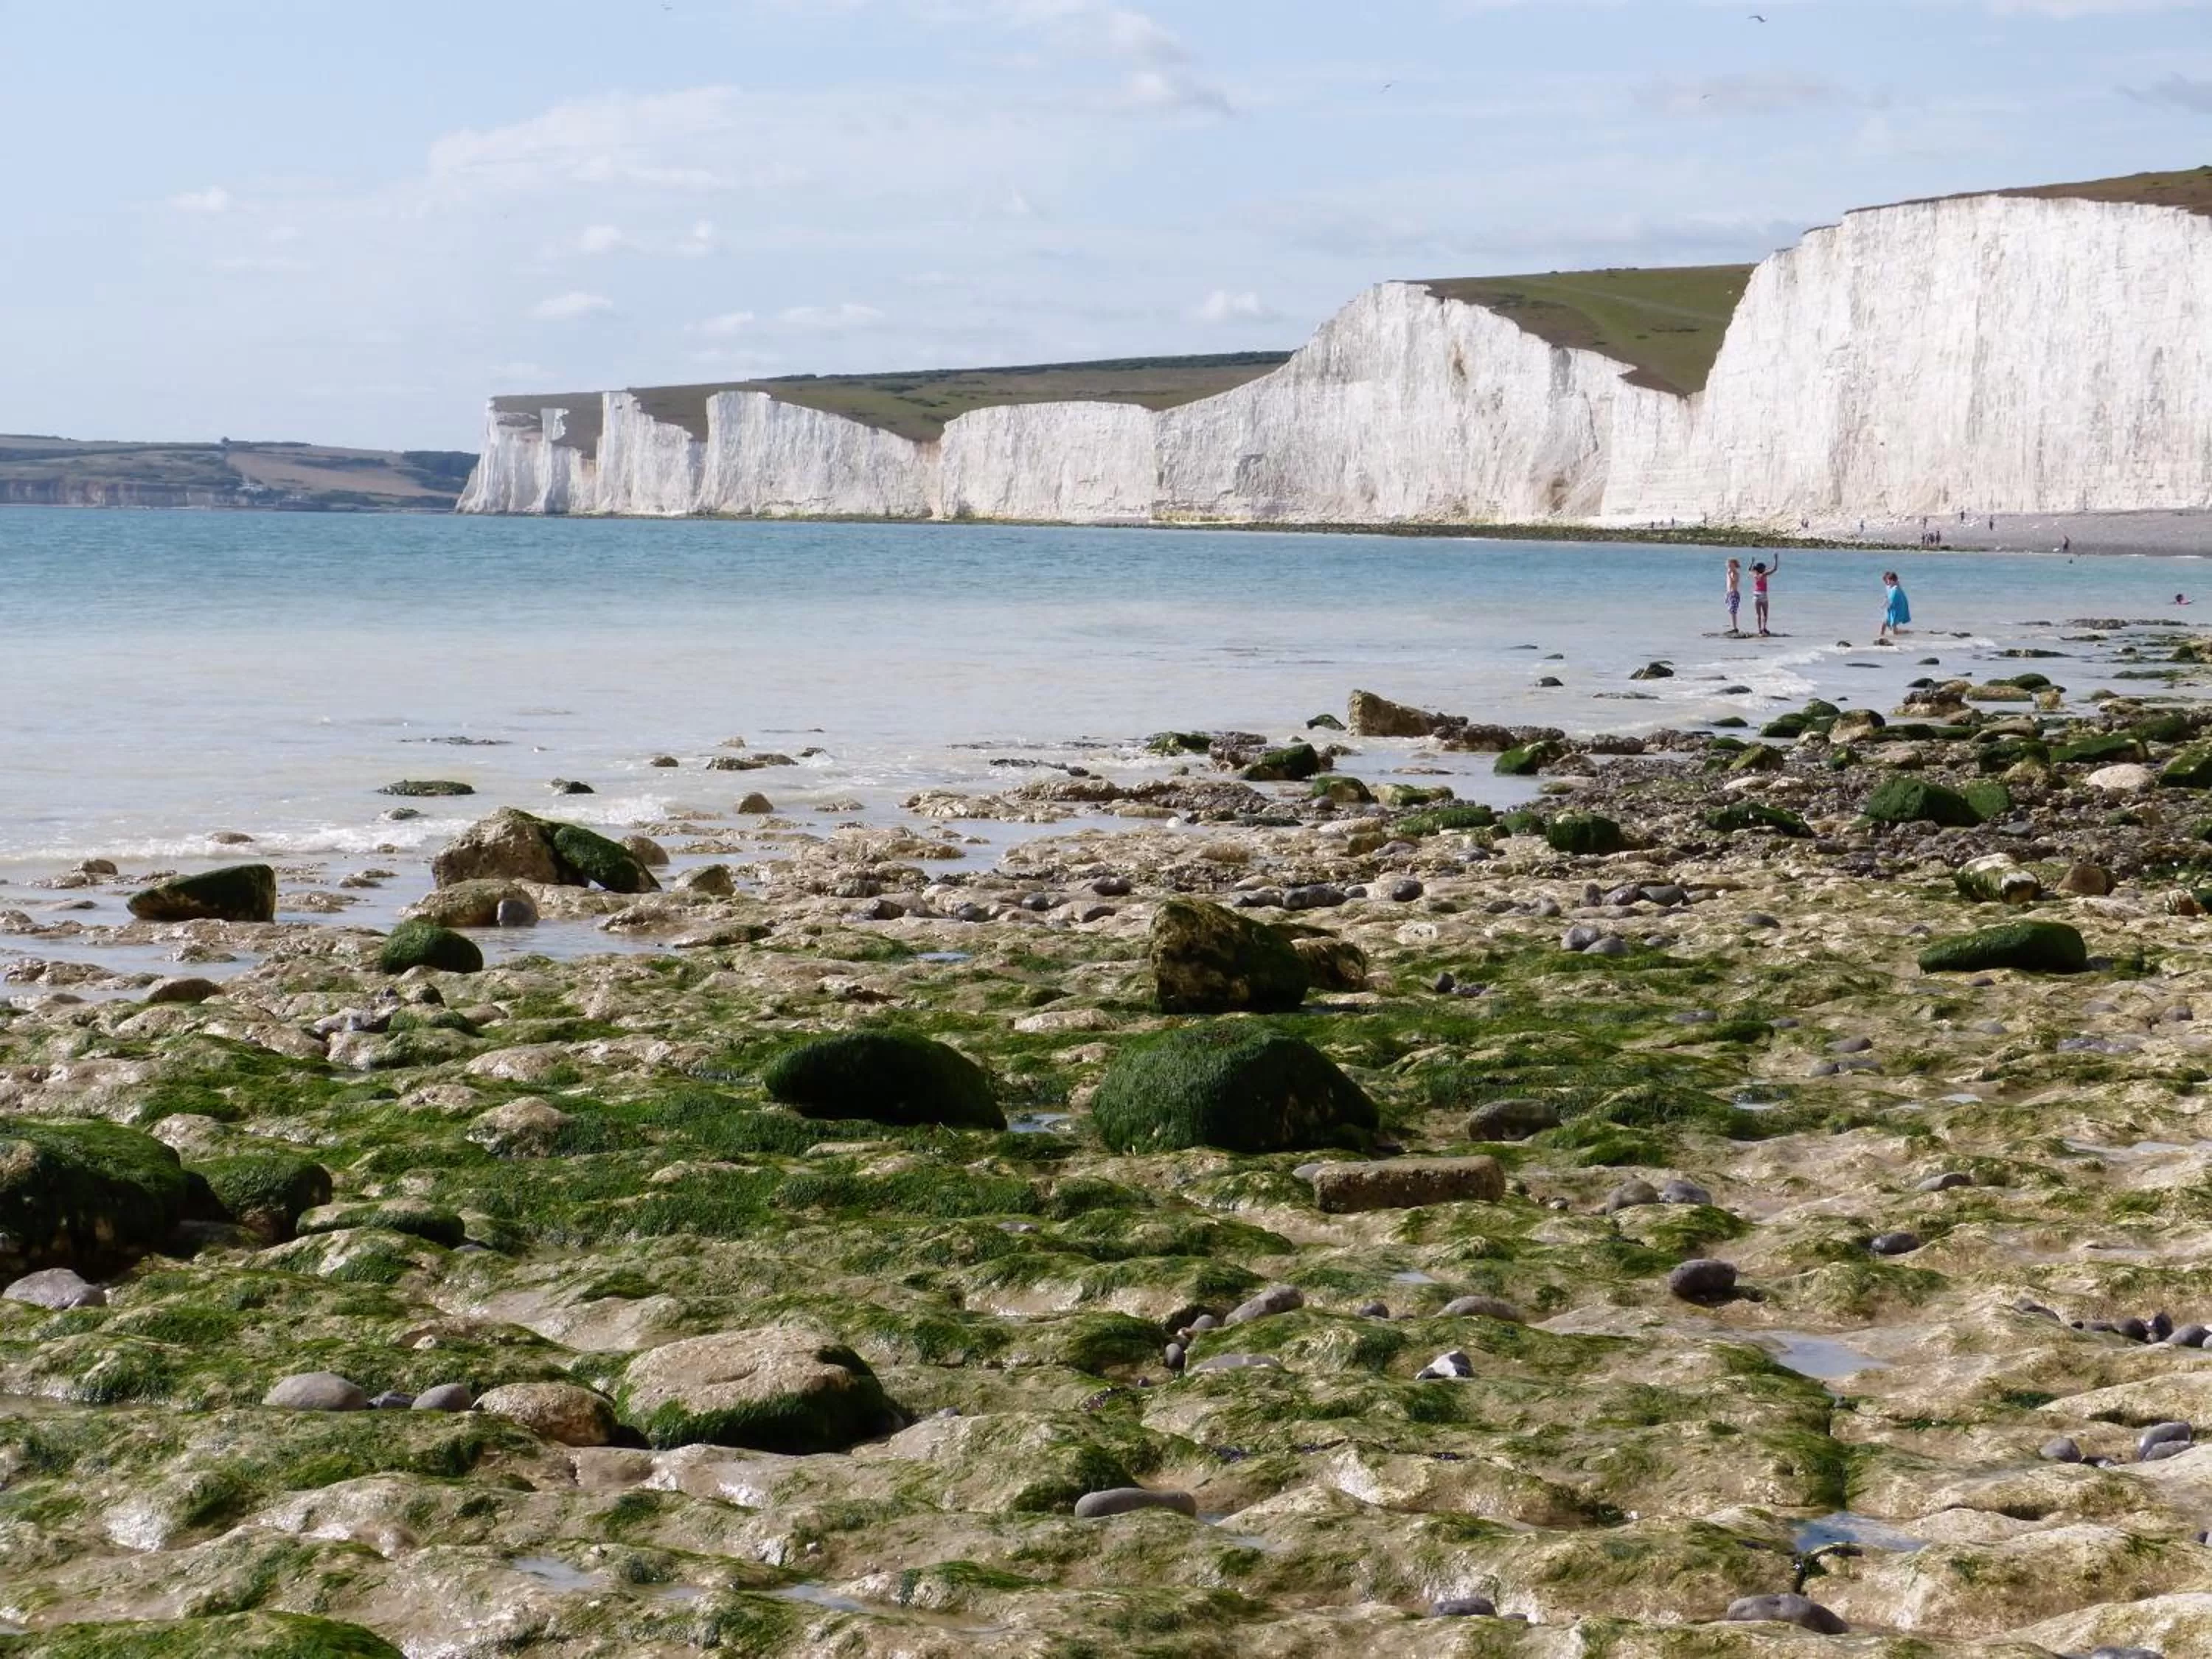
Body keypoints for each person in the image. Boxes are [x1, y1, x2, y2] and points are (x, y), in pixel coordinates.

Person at [1750, 549, 1779, 636]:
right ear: (1762, 569)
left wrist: (1752, 562)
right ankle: (1764, 628)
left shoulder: (1754, 575)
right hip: (1763, 595)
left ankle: (1759, 631)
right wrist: (1776, 559)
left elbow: (1750, 569)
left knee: (1758, 614)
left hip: (1755, 595)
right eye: (1764, 568)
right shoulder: (1764, 575)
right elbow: (1774, 569)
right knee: (1765, 614)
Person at [1879, 571, 1910, 641]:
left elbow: (1895, 596)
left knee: (1893, 628)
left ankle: (1905, 633)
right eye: (1886, 581)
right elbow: (1887, 596)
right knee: (1885, 623)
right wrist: (1883, 604)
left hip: (1894, 608)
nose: (1887, 583)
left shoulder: (1896, 587)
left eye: (1887, 581)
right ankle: (1881, 636)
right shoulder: (1889, 587)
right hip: (1890, 608)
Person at [1725, 557, 1742, 635]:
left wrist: (1729, 574)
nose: (1730, 567)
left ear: (1735, 566)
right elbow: (1728, 585)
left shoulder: (1736, 574)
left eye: (1731, 565)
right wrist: (1727, 594)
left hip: (1734, 593)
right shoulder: (1729, 573)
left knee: (1733, 611)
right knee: (1730, 610)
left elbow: (1733, 582)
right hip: (1729, 594)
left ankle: (1735, 628)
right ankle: (1733, 627)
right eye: (1729, 565)